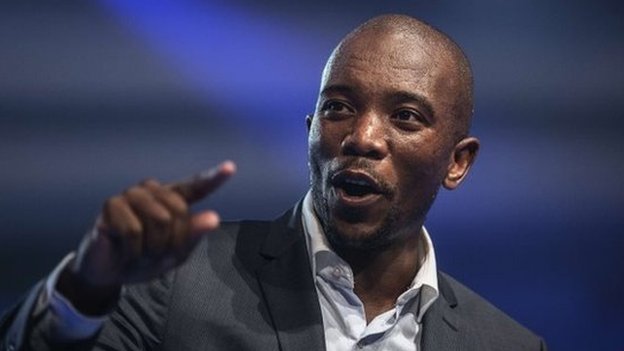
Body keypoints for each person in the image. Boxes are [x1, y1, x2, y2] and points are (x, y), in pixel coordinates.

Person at [0, 14, 547, 351]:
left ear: (458, 162)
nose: (362, 137)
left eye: (405, 116)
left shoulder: (507, 344)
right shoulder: (175, 275)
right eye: (338, 108)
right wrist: (85, 291)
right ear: (310, 131)